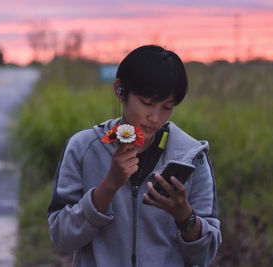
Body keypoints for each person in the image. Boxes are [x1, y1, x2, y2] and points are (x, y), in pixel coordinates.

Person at [47, 45, 221, 267]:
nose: (155, 118)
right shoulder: (84, 148)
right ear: (120, 90)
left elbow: (204, 255)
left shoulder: (191, 157)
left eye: (167, 107)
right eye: (147, 103)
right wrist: (109, 186)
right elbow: (62, 237)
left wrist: (185, 216)